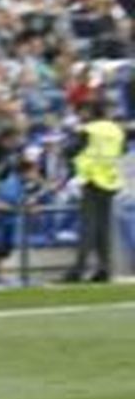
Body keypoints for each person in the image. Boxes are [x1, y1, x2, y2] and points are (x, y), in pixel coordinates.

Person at [65, 99, 126, 283]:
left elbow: (72, 150)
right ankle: (104, 268)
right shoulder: (117, 130)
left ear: (92, 113)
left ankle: (78, 270)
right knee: (104, 228)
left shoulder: (88, 129)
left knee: (88, 227)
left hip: (90, 179)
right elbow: (121, 152)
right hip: (109, 180)